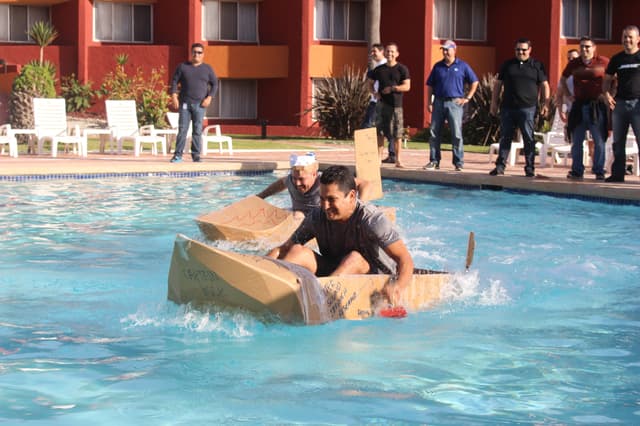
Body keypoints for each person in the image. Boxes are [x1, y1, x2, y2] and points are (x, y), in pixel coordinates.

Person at [268, 165, 414, 304]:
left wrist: (398, 286)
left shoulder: (372, 220)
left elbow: (405, 259)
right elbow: (284, 248)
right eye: (322, 199)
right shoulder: (317, 216)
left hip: (373, 279)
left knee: (354, 258)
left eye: (331, 199)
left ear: (351, 196)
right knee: (296, 251)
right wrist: (260, 267)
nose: (325, 206)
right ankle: (276, 295)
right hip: (333, 273)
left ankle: (320, 303)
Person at [489, 38, 550, 177]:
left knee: (529, 138)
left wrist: (545, 104)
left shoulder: (537, 65)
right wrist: (494, 103)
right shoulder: (508, 65)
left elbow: (544, 85)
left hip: (528, 108)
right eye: (518, 49)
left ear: (530, 50)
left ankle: (529, 168)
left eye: (523, 49)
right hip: (508, 108)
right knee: (505, 137)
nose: (520, 52)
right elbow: (498, 84)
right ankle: (500, 167)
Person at [256, 153, 372, 217]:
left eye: (301, 179)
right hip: (300, 215)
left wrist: (359, 207)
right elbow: (279, 184)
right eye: (294, 178)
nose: (297, 183)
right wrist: (260, 197)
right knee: (278, 214)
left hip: (321, 218)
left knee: (298, 216)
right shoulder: (290, 180)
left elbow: (365, 184)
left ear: (314, 174)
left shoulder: (326, 181)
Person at [557, 37, 609, 180]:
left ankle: (599, 171)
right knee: (577, 142)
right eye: (582, 47)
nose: (584, 50)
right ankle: (577, 170)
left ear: (594, 48)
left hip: (596, 106)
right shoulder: (574, 63)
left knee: (599, 141)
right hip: (578, 106)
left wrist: (611, 95)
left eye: (587, 47)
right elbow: (563, 79)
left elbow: (614, 78)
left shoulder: (603, 62)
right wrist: (568, 95)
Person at [425, 39, 479, 171]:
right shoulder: (438, 66)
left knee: (456, 134)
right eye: (443, 49)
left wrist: (467, 98)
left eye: (447, 49)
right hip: (438, 101)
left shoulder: (462, 66)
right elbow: (430, 85)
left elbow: (474, 81)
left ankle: (458, 162)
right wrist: (428, 102)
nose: (444, 52)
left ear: (454, 50)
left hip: (455, 103)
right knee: (434, 133)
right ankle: (434, 161)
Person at [169, 43, 218, 163]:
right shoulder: (182, 67)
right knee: (182, 130)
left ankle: (196, 155)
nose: (197, 54)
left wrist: (209, 98)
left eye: (199, 52)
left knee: (197, 130)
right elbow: (174, 82)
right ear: (191, 53)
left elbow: (215, 84)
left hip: (200, 105)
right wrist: (174, 96)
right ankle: (178, 155)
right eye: (194, 52)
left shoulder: (207, 69)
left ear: (203, 54)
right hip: (185, 104)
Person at [602, 25, 640, 183]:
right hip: (620, 105)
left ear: (638, 39)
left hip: (638, 104)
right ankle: (618, 175)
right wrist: (606, 94)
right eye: (625, 37)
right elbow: (607, 79)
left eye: (630, 37)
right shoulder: (617, 59)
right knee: (618, 142)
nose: (627, 40)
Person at [367, 42, 411, 168]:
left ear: (397, 54)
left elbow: (407, 86)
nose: (390, 53)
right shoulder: (379, 70)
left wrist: (393, 88)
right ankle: (378, 159)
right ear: (385, 53)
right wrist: (374, 93)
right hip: (382, 105)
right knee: (379, 132)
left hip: (396, 105)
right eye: (388, 51)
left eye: (392, 51)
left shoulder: (402, 69)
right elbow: (369, 83)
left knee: (397, 134)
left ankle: (398, 160)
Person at [362, 44, 395, 163]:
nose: (372, 54)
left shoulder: (387, 66)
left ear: (382, 52)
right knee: (368, 127)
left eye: (375, 51)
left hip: (383, 103)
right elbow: (369, 84)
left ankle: (392, 154)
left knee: (387, 129)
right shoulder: (376, 68)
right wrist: (373, 92)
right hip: (374, 101)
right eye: (371, 52)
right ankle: (371, 154)